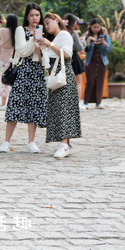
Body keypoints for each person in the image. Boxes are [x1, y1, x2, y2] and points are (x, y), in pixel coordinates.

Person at [0, 3, 47, 153]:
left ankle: (31, 142)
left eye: (37, 15)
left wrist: (39, 47)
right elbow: (22, 50)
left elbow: (43, 58)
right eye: (32, 15)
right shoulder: (21, 30)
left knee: (34, 106)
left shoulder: (42, 31)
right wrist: (33, 41)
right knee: (15, 104)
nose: (35, 18)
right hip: (23, 70)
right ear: (27, 16)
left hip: (37, 72)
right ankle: (6, 141)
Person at [36, 13, 81, 157]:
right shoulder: (54, 39)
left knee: (64, 108)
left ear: (57, 21)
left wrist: (49, 44)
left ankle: (64, 144)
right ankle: (65, 144)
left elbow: (67, 54)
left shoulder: (64, 35)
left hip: (64, 75)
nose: (47, 26)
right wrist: (40, 45)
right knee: (57, 108)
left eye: (49, 23)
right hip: (55, 76)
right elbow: (44, 60)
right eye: (45, 24)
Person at [83, 19, 112, 109]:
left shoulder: (105, 36)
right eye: (94, 27)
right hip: (90, 62)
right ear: (90, 27)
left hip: (102, 62)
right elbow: (85, 49)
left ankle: (98, 102)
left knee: (100, 82)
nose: (96, 29)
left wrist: (103, 42)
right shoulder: (87, 36)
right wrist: (89, 41)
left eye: (98, 27)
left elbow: (109, 48)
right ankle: (85, 102)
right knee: (90, 81)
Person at [0, 14, 17, 108]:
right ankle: (12, 102)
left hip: (1, 58)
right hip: (12, 59)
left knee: (2, 79)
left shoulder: (2, 31)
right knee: (11, 79)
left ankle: (3, 103)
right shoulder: (16, 32)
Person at [64, 14, 86, 99]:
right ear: (73, 23)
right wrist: (83, 41)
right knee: (78, 82)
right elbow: (78, 47)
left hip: (64, 57)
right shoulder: (74, 33)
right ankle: (77, 103)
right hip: (73, 57)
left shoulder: (62, 31)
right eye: (77, 23)